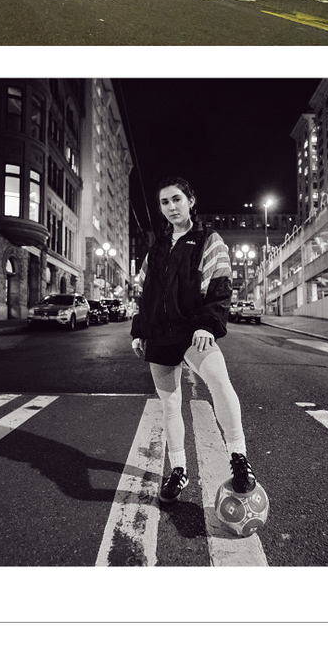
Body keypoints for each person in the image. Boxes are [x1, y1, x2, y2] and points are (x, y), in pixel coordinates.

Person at [129, 177, 258, 504]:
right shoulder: (157, 247)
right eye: (164, 202)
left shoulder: (208, 239)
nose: (171, 207)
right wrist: (139, 331)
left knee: (219, 383)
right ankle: (178, 469)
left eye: (176, 200)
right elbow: (145, 293)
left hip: (192, 331)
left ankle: (239, 458)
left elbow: (221, 285)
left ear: (190, 201)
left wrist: (207, 325)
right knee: (170, 406)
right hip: (159, 333)